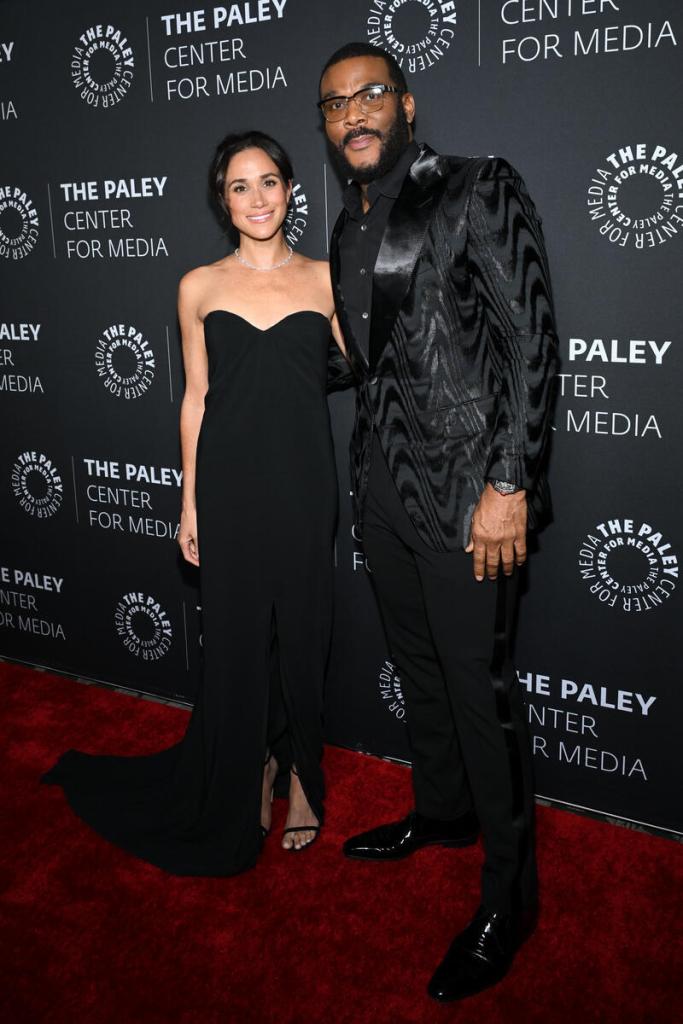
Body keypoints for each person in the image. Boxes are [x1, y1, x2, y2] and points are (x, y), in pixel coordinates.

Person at [318, 43, 559, 1000]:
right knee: (418, 673)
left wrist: (510, 481)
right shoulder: (346, 223)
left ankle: (512, 896)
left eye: (370, 93)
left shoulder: (472, 187)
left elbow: (532, 337)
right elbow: (358, 362)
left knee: (475, 692)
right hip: (380, 488)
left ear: (406, 102)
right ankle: (443, 812)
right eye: (335, 105)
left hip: (469, 496)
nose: (353, 114)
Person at [42, 131, 347, 871]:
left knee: (303, 638)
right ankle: (249, 771)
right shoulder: (198, 285)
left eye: (268, 181)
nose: (257, 198)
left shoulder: (327, 278)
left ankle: (301, 775)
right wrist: (190, 503)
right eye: (239, 186)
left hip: (306, 483)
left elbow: (356, 368)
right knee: (238, 645)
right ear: (222, 198)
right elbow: (196, 399)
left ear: (288, 187)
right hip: (229, 487)